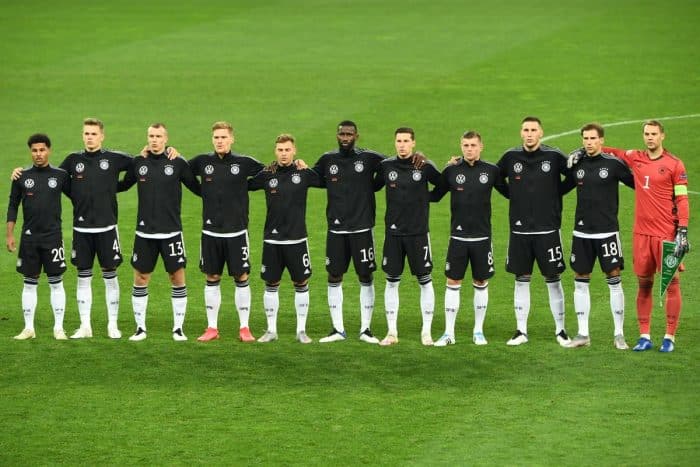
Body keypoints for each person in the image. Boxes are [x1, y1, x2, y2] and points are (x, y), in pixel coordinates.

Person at [10, 118, 137, 339]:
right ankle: (85, 326)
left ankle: (113, 325)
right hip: (82, 230)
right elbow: (54, 181)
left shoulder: (114, 158)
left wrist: (117, 187)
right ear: (82, 135)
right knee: (83, 277)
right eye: (86, 133)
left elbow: (140, 165)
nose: (90, 137)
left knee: (110, 276)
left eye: (94, 133)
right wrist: (19, 173)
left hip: (107, 229)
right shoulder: (71, 161)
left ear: (102, 136)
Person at [595, 120, 689, 353]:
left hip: (666, 235)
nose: (649, 138)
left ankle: (669, 337)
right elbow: (616, 152)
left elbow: (682, 199)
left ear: (662, 136)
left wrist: (683, 230)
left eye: (654, 134)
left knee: (672, 284)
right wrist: (592, 149)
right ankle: (644, 335)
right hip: (641, 235)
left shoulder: (674, 165)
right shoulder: (635, 157)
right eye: (646, 134)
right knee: (644, 284)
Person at [119, 123, 200, 341]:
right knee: (141, 277)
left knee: (177, 277)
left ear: (166, 139)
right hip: (144, 234)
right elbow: (122, 185)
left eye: (158, 136)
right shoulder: (138, 162)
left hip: (171, 232)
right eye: (151, 136)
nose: (154, 140)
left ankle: (178, 328)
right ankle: (140, 328)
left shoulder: (177, 162)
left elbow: (199, 189)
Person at [497, 116, 573, 347]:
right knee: (522, 279)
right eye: (525, 130)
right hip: (519, 231)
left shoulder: (554, 155)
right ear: (521, 133)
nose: (529, 134)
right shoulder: (511, 157)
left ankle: (560, 330)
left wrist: (555, 192)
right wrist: (513, 194)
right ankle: (521, 330)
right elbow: (494, 176)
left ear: (541, 133)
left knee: (553, 278)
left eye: (533, 130)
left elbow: (574, 176)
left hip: (548, 229)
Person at [430, 131, 508, 346]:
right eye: (465, 145)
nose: (469, 149)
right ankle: (448, 333)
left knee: (480, 282)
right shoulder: (452, 171)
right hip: (458, 237)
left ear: (481, 147)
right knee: (453, 282)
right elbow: (435, 196)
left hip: (482, 238)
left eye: (473, 145)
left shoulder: (491, 171)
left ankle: (478, 331)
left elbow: (510, 193)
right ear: (461, 146)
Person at [189, 122, 264, 342]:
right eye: (216, 137)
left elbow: (270, 173)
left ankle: (244, 328)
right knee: (212, 277)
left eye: (223, 137)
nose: (219, 141)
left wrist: (245, 187)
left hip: (237, 233)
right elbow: (182, 171)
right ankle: (212, 328)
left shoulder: (244, 163)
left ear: (232, 139)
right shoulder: (203, 162)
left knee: (241, 276)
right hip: (211, 233)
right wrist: (201, 191)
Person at [312, 121, 385, 344]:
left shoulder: (369, 158)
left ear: (357, 136)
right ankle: (337, 329)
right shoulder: (328, 159)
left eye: (349, 134)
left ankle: (365, 329)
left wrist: (418, 156)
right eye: (342, 134)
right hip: (336, 229)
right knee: (334, 275)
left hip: (362, 228)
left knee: (365, 275)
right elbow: (311, 177)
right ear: (337, 135)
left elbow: (394, 165)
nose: (345, 137)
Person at [564, 123, 634, 350]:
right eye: (585, 138)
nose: (589, 142)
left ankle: (619, 333)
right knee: (580, 279)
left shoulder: (613, 165)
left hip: (607, 232)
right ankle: (583, 333)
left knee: (613, 279)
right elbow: (559, 188)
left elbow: (638, 185)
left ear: (602, 140)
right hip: (582, 232)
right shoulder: (578, 164)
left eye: (593, 138)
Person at [248, 134, 321, 344]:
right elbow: (245, 185)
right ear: (275, 152)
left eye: (287, 150)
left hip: (297, 239)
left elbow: (327, 181)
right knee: (271, 283)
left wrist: (307, 167)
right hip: (272, 240)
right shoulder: (267, 174)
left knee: (301, 282)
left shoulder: (304, 173)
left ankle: (301, 330)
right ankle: (271, 330)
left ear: (294, 151)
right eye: (280, 150)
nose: (283, 154)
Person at [375, 127, 441, 346]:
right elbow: (371, 186)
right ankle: (391, 332)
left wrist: (424, 198)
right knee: (392, 281)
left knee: (425, 281)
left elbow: (443, 186)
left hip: (418, 233)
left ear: (413, 143)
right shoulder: (386, 166)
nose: (402, 145)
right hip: (393, 234)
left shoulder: (424, 166)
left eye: (406, 141)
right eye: (398, 141)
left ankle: (426, 332)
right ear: (395, 143)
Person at [7, 134, 71, 340]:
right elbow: (12, 205)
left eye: (42, 150)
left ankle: (58, 328)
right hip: (29, 239)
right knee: (29, 283)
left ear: (49, 150)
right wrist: (9, 234)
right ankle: (28, 328)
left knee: (56, 282)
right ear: (30, 152)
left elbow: (80, 197)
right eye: (34, 150)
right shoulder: (21, 176)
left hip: (53, 238)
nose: (38, 154)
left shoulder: (60, 175)